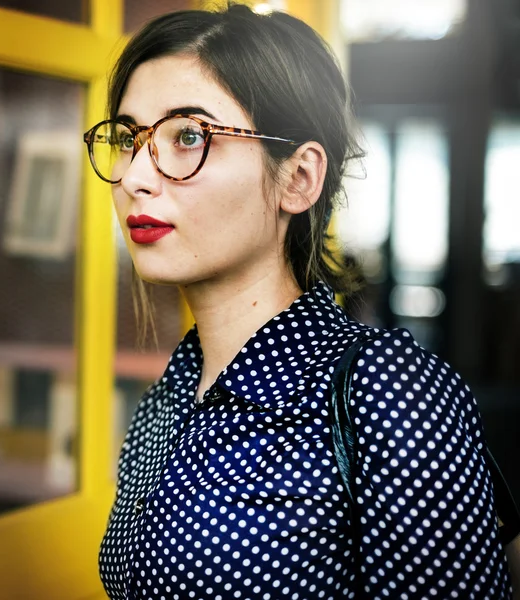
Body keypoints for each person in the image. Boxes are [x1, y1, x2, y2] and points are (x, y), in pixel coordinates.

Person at [84, 4, 514, 598]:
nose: (135, 175)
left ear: (298, 179)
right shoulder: (168, 398)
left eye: (188, 136)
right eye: (130, 138)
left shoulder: (386, 390)